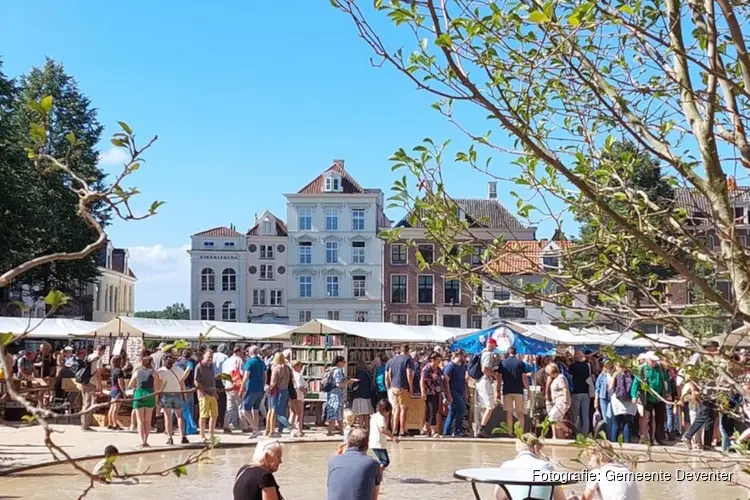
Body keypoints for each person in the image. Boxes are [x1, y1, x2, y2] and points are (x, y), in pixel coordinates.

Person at [494, 433, 566, 500]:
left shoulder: (507, 466)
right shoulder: (547, 466)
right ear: (536, 448)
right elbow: (560, 498)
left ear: (518, 449)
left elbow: (499, 496)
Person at [327, 428, 382, 500]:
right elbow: (374, 497)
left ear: (347, 443)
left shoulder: (333, 461)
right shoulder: (372, 463)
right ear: (367, 445)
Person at [572, 445, 641, 500]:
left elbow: (586, 499)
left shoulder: (597, 472)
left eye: (589, 459)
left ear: (600, 456)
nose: (589, 463)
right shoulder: (625, 469)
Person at [631, 352, 667, 445]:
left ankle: (659, 438)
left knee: (661, 418)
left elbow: (665, 380)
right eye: (652, 360)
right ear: (647, 360)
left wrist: (668, 392)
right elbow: (636, 383)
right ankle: (649, 439)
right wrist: (634, 396)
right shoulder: (642, 369)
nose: (654, 362)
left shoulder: (660, 368)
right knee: (648, 419)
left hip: (659, 397)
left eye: (655, 360)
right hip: (648, 397)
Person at [129, 351, 160, 448]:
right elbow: (157, 388)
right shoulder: (154, 373)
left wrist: (136, 386)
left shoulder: (137, 372)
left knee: (140, 420)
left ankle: (142, 440)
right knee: (147, 420)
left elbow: (130, 384)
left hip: (139, 394)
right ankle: (146, 440)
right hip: (150, 394)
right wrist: (156, 399)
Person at [158, 353, 189, 445]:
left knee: (168, 417)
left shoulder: (160, 371)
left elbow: (160, 385)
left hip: (166, 394)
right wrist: (184, 393)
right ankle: (183, 436)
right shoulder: (179, 369)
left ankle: (170, 437)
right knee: (180, 416)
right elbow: (182, 383)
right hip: (177, 394)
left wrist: (158, 396)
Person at [498, 346, 529, 436]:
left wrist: (498, 389)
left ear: (508, 353)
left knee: (509, 412)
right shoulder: (521, 363)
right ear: (516, 353)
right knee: (520, 412)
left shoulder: (502, 363)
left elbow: (499, 378)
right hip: (518, 390)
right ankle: (521, 432)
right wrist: (528, 389)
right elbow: (524, 378)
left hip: (507, 390)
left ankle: (510, 432)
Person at [385, 344, 414, 437]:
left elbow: (388, 374)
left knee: (395, 408)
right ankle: (402, 430)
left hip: (393, 387)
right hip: (403, 386)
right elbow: (409, 374)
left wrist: (390, 386)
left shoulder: (391, 360)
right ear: (408, 350)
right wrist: (411, 388)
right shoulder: (407, 360)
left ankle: (394, 429)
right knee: (403, 409)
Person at [75, 345, 106, 431]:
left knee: (85, 403)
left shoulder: (89, 356)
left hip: (84, 381)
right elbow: (98, 375)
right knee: (88, 403)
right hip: (91, 382)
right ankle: (85, 425)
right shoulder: (98, 359)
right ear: (102, 351)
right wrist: (100, 388)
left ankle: (84, 423)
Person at [241, 345, 267, 438]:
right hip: (260, 389)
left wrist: (241, 387)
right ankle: (254, 431)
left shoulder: (249, 362)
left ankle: (255, 429)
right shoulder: (262, 362)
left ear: (250, 353)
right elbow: (265, 376)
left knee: (245, 409)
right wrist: (263, 385)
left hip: (251, 388)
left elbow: (246, 376)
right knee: (255, 409)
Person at [477, 337, 500, 438]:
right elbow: (484, 369)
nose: (495, 348)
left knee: (484, 407)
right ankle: (481, 428)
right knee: (490, 407)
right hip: (485, 381)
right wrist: (493, 375)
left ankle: (482, 428)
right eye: (495, 345)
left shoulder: (481, 353)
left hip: (479, 382)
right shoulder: (488, 354)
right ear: (491, 344)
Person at [609, 362, 636, 443]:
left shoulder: (615, 374)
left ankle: (614, 442)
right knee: (627, 422)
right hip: (629, 400)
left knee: (616, 423)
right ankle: (627, 442)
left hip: (617, 400)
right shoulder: (632, 374)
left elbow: (610, 388)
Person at [195, 349, 219, 441]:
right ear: (204, 356)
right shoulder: (199, 366)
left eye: (211, 357)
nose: (210, 359)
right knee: (203, 416)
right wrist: (203, 392)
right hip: (203, 394)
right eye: (208, 357)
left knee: (214, 415)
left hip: (212, 393)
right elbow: (196, 381)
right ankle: (202, 435)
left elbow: (213, 379)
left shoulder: (212, 366)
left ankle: (211, 434)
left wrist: (215, 392)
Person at [267, 352, 293, 437]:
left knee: (276, 412)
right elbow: (291, 379)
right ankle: (280, 430)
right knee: (283, 411)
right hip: (285, 391)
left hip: (278, 391)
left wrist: (269, 388)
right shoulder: (288, 368)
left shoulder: (276, 368)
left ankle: (288, 426)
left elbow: (273, 382)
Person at [443, 350, 468, 437]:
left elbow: (463, 381)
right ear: (459, 356)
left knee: (453, 412)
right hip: (453, 391)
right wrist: (448, 395)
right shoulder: (450, 366)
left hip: (459, 391)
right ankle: (457, 430)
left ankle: (447, 431)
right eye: (464, 356)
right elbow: (446, 381)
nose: (465, 359)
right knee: (462, 409)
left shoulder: (462, 367)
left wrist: (465, 393)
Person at [223, 345, 247, 434]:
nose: (242, 354)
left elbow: (223, 374)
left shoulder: (226, 361)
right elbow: (241, 373)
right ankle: (244, 426)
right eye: (242, 352)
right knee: (241, 406)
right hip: (237, 385)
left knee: (229, 407)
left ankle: (226, 426)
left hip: (228, 386)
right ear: (238, 352)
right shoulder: (239, 360)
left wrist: (225, 385)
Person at [369, 399, 398, 471]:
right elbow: (383, 429)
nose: (388, 414)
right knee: (385, 461)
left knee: (380, 460)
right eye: (388, 412)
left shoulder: (373, 416)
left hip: (373, 442)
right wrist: (393, 437)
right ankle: (377, 472)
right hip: (379, 444)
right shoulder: (381, 418)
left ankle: (378, 473)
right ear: (385, 410)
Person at [420, 351, 444, 437]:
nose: (439, 362)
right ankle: (434, 431)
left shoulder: (438, 369)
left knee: (431, 410)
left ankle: (425, 428)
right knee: (432, 411)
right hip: (429, 392)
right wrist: (423, 392)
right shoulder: (426, 369)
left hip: (437, 392)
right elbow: (422, 381)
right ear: (432, 360)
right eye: (437, 360)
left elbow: (442, 378)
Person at [324, 356, 349, 436]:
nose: (345, 363)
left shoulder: (330, 369)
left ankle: (340, 431)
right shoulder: (338, 371)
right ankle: (330, 432)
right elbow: (339, 384)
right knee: (336, 412)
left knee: (334, 412)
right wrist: (348, 382)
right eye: (343, 362)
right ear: (339, 362)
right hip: (337, 394)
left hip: (331, 393)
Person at [569, 350, 592, 437]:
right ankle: (585, 433)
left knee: (576, 414)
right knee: (585, 414)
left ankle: (578, 433)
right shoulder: (587, 365)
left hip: (576, 392)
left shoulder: (572, 366)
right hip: (586, 391)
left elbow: (570, 376)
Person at [545, 363, 571, 439]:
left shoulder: (560, 378)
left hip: (562, 401)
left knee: (551, 418)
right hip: (557, 402)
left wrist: (565, 402)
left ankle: (568, 430)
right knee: (558, 420)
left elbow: (565, 390)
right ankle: (560, 437)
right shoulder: (555, 379)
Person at [176, 349, 198, 436]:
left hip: (177, 387)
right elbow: (188, 371)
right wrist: (182, 380)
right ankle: (189, 428)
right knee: (189, 408)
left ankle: (176, 427)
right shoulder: (189, 363)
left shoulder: (177, 363)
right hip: (187, 387)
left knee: (177, 409)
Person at [351, 360, 374, 430]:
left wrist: (351, 385)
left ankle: (361, 427)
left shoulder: (359, 373)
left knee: (360, 413)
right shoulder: (368, 373)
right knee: (366, 413)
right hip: (367, 395)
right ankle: (367, 427)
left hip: (359, 396)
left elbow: (356, 385)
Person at [594, 360, 614, 440]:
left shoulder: (614, 375)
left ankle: (612, 437)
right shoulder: (601, 375)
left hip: (612, 398)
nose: (608, 367)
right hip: (603, 398)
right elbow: (597, 389)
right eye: (607, 365)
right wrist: (596, 400)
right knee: (606, 418)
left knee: (611, 417)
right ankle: (609, 438)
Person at [107, 355, 126, 430]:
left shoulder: (113, 369)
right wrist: (123, 392)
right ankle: (115, 424)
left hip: (113, 388)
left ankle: (110, 423)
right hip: (118, 389)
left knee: (112, 407)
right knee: (116, 408)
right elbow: (120, 382)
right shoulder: (119, 371)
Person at [290, 359, 307, 438]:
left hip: (291, 395)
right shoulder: (298, 375)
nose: (301, 368)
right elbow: (299, 386)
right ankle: (299, 431)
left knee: (293, 412)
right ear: (296, 366)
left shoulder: (290, 374)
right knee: (299, 414)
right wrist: (305, 391)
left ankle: (291, 429)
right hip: (298, 395)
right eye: (300, 366)